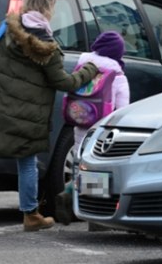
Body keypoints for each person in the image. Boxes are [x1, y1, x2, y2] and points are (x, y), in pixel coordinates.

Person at [0, 0, 99, 236]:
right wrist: (89, 71)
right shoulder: (47, 47)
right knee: (27, 162)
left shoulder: (2, 29)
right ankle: (31, 215)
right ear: (48, 9)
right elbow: (62, 81)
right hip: (28, 118)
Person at [55, 30, 130, 226]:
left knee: (81, 166)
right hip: (102, 129)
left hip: (80, 124)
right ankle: (95, 220)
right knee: (98, 171)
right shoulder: (117, 76)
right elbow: (123, 110)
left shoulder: (83, 66)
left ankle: (69, 193)